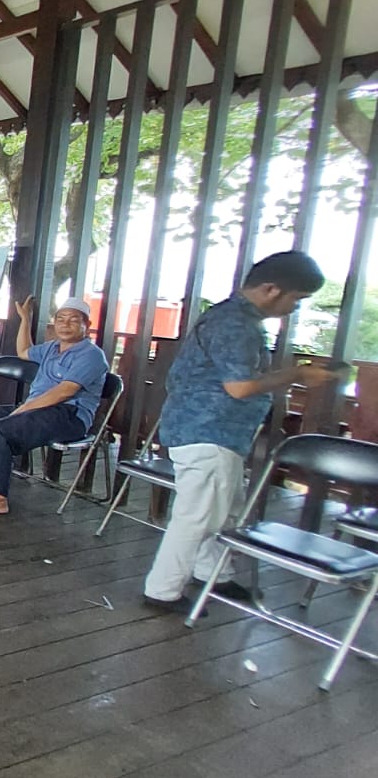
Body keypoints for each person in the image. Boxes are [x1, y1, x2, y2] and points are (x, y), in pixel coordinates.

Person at [142, 252, 344, 612]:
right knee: (197, 517)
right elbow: (239, 386)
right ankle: (163, 591)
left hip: (213, 432)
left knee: (221, 510)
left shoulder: (230, 316)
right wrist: (297, 375)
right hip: (208, 432)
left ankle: (213, 574)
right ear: (271, 289)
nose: (295, 307)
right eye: (296, 298)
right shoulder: (236, 324)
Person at [0, 296, 110, 515]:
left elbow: (65, 391)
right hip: (37, 408)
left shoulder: (92, 355)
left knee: (0, 429)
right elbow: (24, 351)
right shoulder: (52, 348)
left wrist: (24, 408)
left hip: (70, 415)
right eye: (61, 319)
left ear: (87, 325)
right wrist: (25, 319)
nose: (65, 324)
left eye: (73, 319)